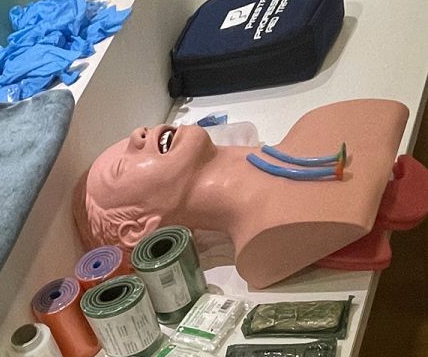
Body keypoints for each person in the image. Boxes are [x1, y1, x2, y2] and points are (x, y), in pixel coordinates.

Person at [74, 99, 408, 287]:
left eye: (128, 140)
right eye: (121, 168)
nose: (138, 134)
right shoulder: (261, 245)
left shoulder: (317, 122)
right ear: (138, 229)